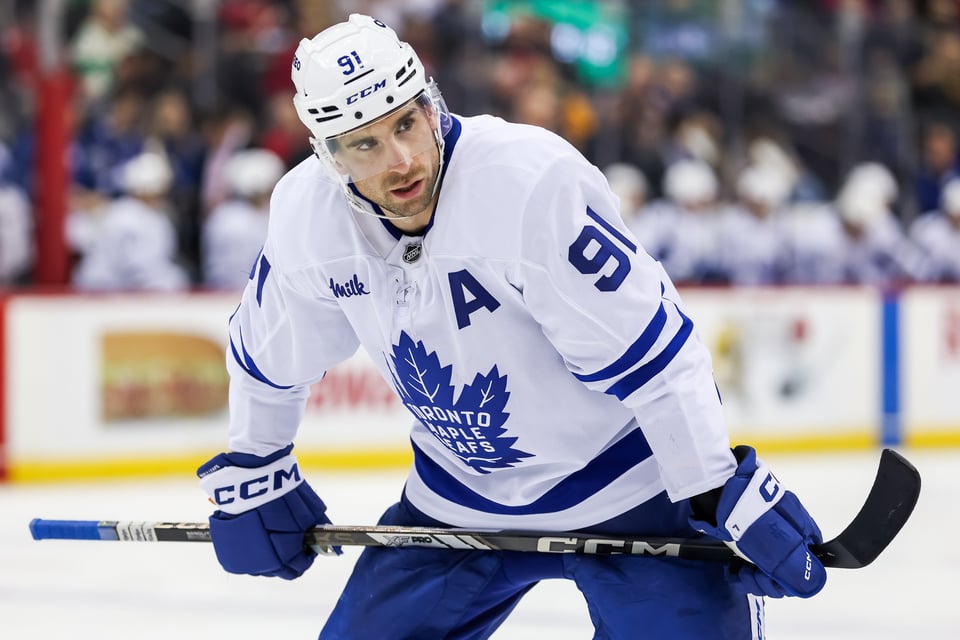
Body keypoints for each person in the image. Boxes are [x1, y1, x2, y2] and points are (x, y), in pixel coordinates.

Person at [197, 14, 827, 639]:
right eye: (366, 144)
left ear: (430, 103)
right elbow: (266, 357)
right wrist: (258, 463)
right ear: (329, 158)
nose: (404, 160)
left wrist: (714, 486)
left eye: (407, 123)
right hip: (456, 499)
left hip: (630, 493)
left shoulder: (526, 183)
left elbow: (654, 353)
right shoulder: (308, 218)